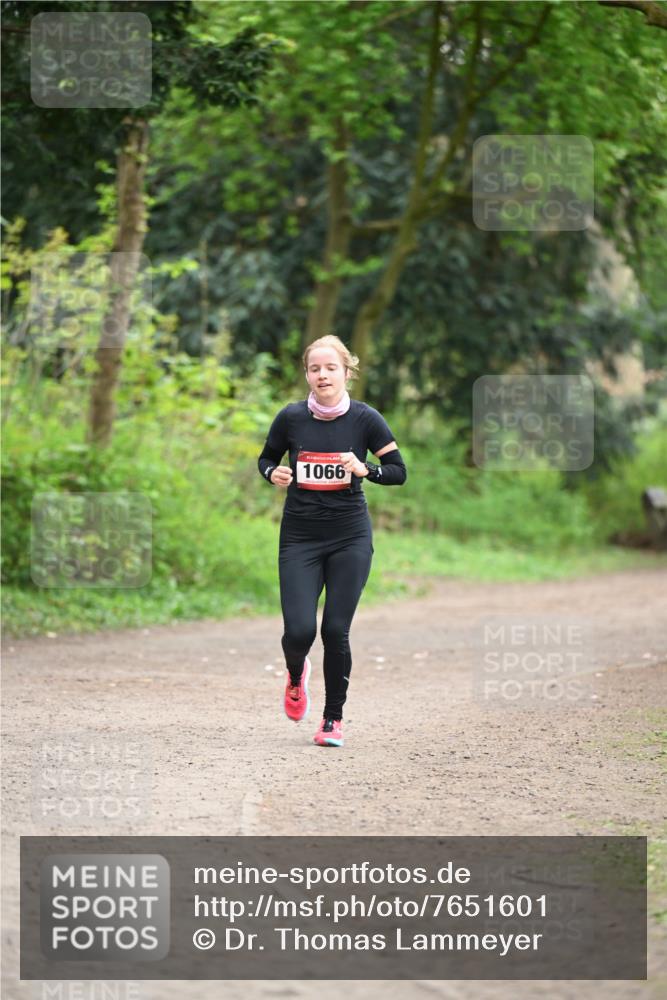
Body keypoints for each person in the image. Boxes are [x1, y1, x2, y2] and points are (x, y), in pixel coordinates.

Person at [257, 334, 407, 747]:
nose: (322, 375)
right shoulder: (290, 419)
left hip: (349, 536)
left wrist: (365, 469)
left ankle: (332, 720)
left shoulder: (365, 419)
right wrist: (273, 473)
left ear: (346, 372)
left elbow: (397, 470)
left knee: (336, 630)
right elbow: (266, 457)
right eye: (314, 368)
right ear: (307, 373)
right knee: (300, 631)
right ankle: (295, 673)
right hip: (300, 538)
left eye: (330, 368)